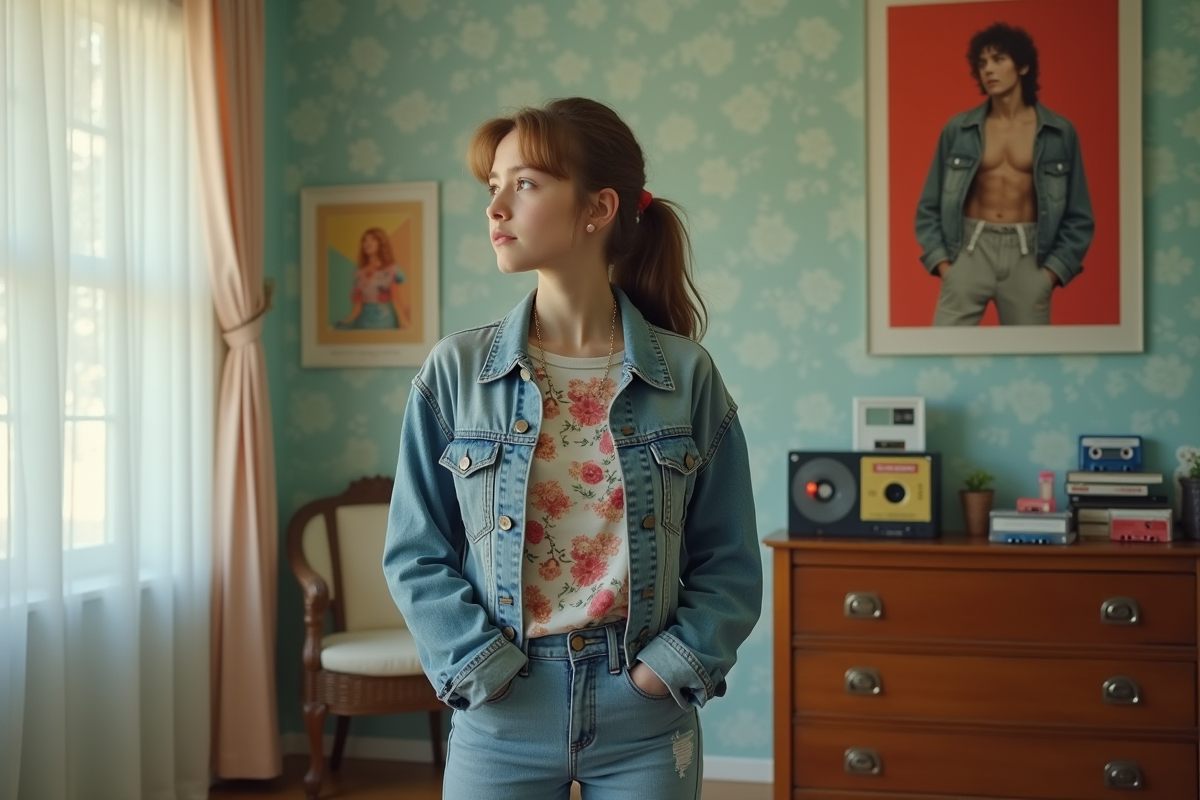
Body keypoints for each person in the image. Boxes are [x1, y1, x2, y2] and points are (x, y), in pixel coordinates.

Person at [382, 97, 762, 800]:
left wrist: (669, 668)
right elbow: (415, 550)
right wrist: (476, 665)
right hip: (502, 706)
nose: (496, 207)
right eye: (492, 186)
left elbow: (729, 559)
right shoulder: (455, 372)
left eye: (523, 184)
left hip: (645, 713)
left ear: (599, 208)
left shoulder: (687, 375)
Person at [915, 22, 1094, 326]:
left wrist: (1049, 275)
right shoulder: (958, 130)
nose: (988, 70)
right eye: (982, 63)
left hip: (1029, 256)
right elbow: (928, 205)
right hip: (969, 251)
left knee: (1029, 364)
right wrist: (946, 267)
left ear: (1023, 65)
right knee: (943, 356)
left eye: (999, 60)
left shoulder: (1060, 133)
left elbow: (1079, 215)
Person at [334, 226, 411, 329]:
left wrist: (403, 321)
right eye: (365, 240)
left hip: (384, 319)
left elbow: (396, 297)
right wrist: (348, 320)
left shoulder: (392, 270)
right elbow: (358, 303)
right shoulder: (359, 273)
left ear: (381, 243)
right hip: (363, 321)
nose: (368, 243)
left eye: (373, 240)